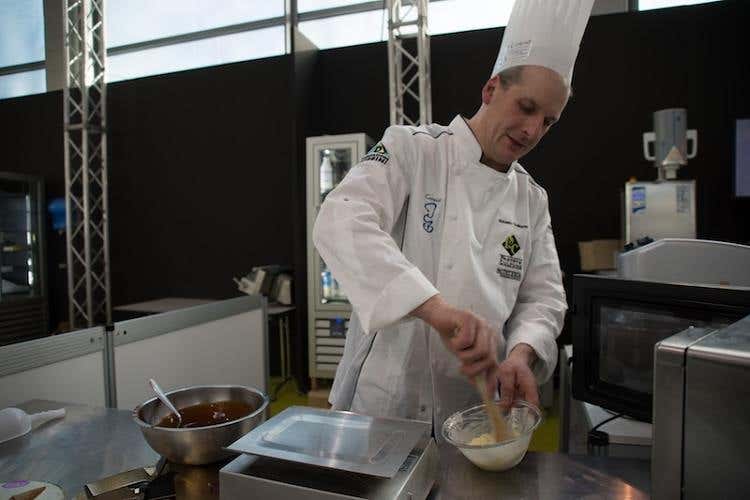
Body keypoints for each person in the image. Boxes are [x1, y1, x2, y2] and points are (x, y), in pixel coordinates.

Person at [313, 0, 594, 433]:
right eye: (526, 107)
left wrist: (521, 353)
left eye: (548, 121)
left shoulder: (532, 199)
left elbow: (544, 299)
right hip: (385, 403)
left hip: (472, 412)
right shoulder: (413, 150)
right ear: (491, 89)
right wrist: (437, 310)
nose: (532, 130)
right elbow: (341, 219)